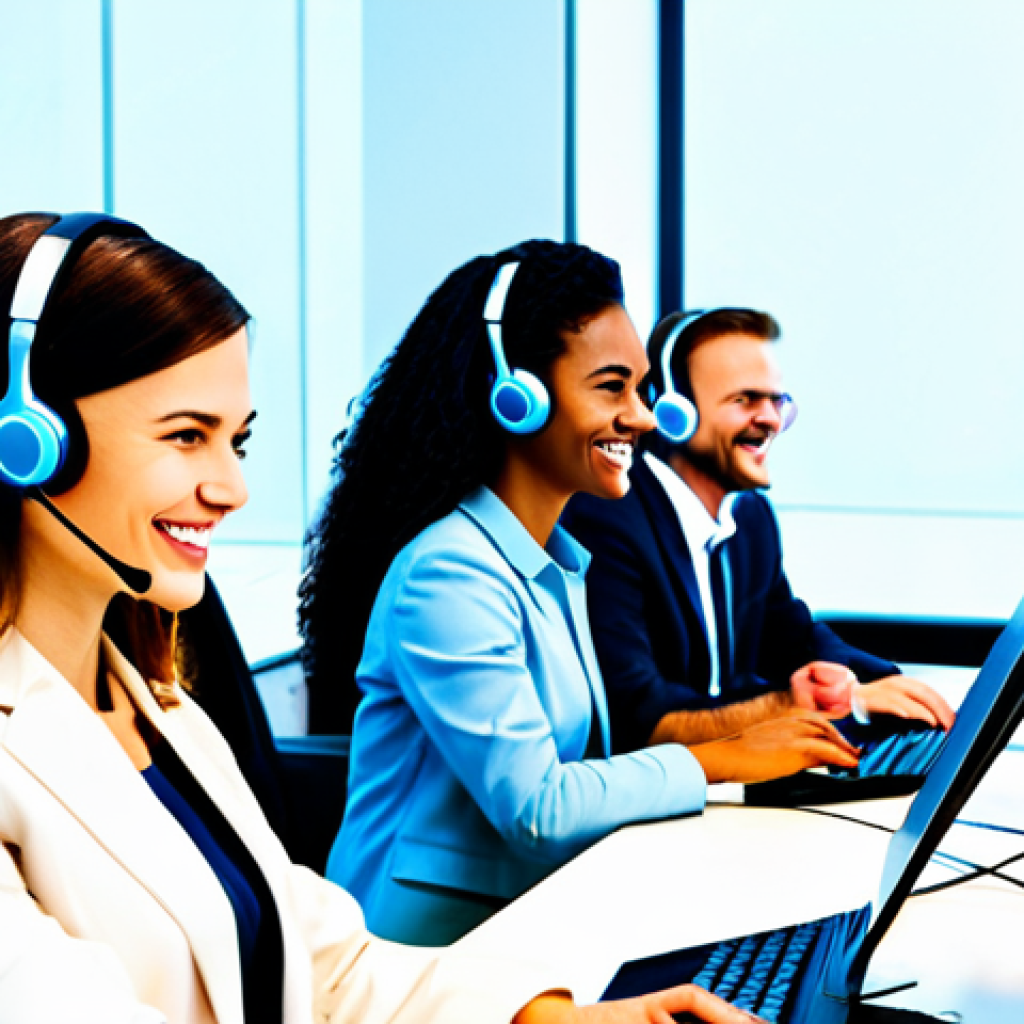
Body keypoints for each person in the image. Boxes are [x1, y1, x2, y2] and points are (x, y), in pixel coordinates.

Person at [0, 213, 762, 1024]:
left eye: (237, 443)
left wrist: (557, 1021)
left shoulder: (163, 707)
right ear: (27, 439)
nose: (231, 489)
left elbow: (318, 961)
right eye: (187, 438)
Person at [300, 244, 859, 950]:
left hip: (522, 928)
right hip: (414, 963)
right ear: (518, 394)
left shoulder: (551, 564)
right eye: (611, 387)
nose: (646, 418)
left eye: (641, 387)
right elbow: (537, 805)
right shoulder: (448, 576)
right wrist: (728, 753)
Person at [562, 308, 954, 754]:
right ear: (673, 412)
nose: (770, 419)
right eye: (745, 400)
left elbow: (794, 639)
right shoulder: (606, 519)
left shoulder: (750, 519)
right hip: (645, 797)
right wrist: (829, 703)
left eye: (776, 400)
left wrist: (887, 687)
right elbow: (640, 718)